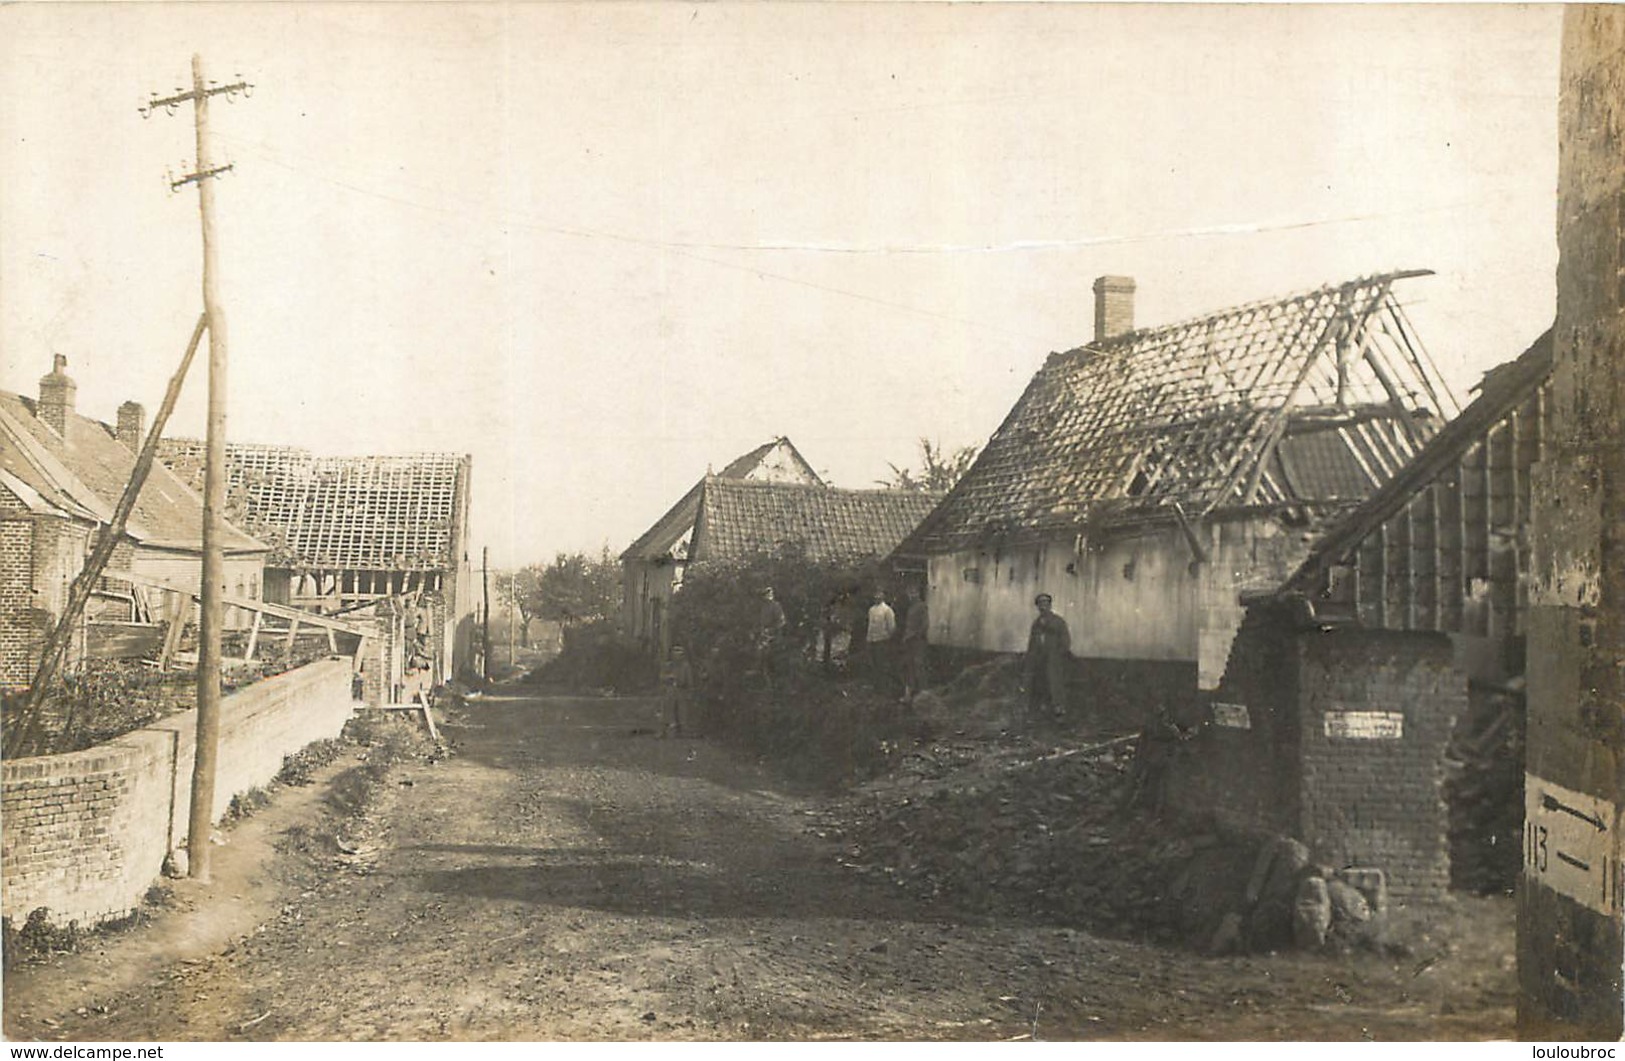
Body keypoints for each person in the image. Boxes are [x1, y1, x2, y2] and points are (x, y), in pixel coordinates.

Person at [1024, 592, 1071, 719]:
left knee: (1055, 682)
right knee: (1040, 682)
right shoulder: (1036, 624)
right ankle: (1042, 708)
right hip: (1039, 659)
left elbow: (1066, 641)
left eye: (1045, 602)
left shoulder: (1058, 622)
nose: (1043, 606)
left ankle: (1059, 708)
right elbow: (1032, 642)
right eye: (1040, 603)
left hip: (1054, 659)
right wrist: (1031, 657)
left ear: (1050, 605)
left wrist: (1058, 654)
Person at [900, 584, 929, 705]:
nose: (911, 596)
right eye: (909, 593)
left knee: (919, 665)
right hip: (908, 641)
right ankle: (908, 695)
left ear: (917, 593)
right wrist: (906, 638)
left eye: (913, 593)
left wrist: (917, 635)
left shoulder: (922, 606)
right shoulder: (910, 608)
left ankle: (923, 694)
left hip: (917, 641)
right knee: (909, 667)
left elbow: (925, 624)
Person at [660, 646, 695, 737]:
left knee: (682, 710)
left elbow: (689, 679)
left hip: (681, 690)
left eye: (679, 655)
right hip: (671, 689)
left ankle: (683, 730)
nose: (676, 657)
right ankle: (667, 730)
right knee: (668, 710)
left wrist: (689, 690)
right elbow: (662, 677)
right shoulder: (669, 665)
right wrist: (668, 678)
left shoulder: (686, 666)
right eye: (675, 655)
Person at [866, 590, 897, 693]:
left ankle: (884, 688)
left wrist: (887, 637)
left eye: (879, 595)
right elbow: (870, 626)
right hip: (872, 640)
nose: (877, 597)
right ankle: (876, 687)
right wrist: (869, 639)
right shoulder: (871, 610)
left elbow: (891, 627)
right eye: (875, 595)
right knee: (873, 664)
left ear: (883, 596)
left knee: (882, 664)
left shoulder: (887, 610)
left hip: (882, 641)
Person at [757, 586, 788, 691]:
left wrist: (772, 631)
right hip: (764, 635)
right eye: (764, 594)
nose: (766, 596)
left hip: (774, 636)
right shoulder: (763, 607)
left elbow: (781, 622)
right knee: (763, 658)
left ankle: (775, 685)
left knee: (773, 660)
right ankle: (767, 684)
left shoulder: (776, 606)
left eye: (768, 594)